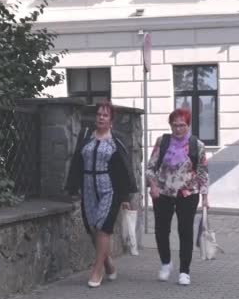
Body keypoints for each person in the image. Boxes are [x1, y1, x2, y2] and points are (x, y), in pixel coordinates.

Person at [65, 101, 138, 288]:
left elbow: (123, 170)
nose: (101, 118)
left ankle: (97, 270)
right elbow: (76, 162)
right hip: (88, 187)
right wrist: (73, 187)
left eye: (105, 115)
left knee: (103, 226)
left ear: (111, 120)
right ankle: (108, 263)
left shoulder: (116, 140)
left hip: (109, 189)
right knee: (92, 228)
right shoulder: (87, 136)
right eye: (99, 114)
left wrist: (124, 198)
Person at [146, 108, 210, 286]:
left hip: (187, 193)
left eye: (182, 125)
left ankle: (184, 271)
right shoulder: (162, 142)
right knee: (161, 230)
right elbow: (151, 168)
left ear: (188, 125)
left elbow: (203, 172)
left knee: (185, 231)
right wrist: (153, 185)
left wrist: (205, 196)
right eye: (175, 125)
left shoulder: (197, 145)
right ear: (170, 125)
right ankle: (166, 263)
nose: (178, 129)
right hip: (163, 192)